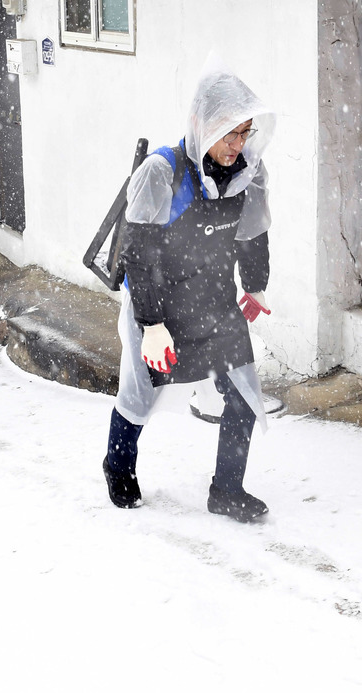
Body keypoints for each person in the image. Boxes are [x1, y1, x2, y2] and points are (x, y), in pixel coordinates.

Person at [102, 69, 276, 523]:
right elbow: (136, 255)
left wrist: (255, 285)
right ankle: (118, 467)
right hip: (157, 303)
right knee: (139, 394)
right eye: (228, 133)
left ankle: (227, 490)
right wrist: (152, 325)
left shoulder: (248, 175)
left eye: (244, 132)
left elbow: (252, 236)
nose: (237, 144)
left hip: (214, 301)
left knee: (243, 393)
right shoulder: (162, 172)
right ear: (200, 124)